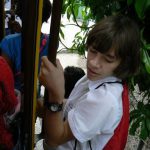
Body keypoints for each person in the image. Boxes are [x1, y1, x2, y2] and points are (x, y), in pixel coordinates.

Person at [39, 15, 140, 150]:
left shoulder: (105, 99)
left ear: (123, 63)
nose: (93, 63)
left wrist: (55, 94)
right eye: (93, 51)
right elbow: (72, 105)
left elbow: (56, 138)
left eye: (108, 59)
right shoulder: (95, 77)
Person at [0, 0, 51, 92]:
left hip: (14, 98)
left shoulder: (9, 42)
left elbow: (5, 81)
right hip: (36, 97)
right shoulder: (50, 41)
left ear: (19, 13)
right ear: (47, 16)